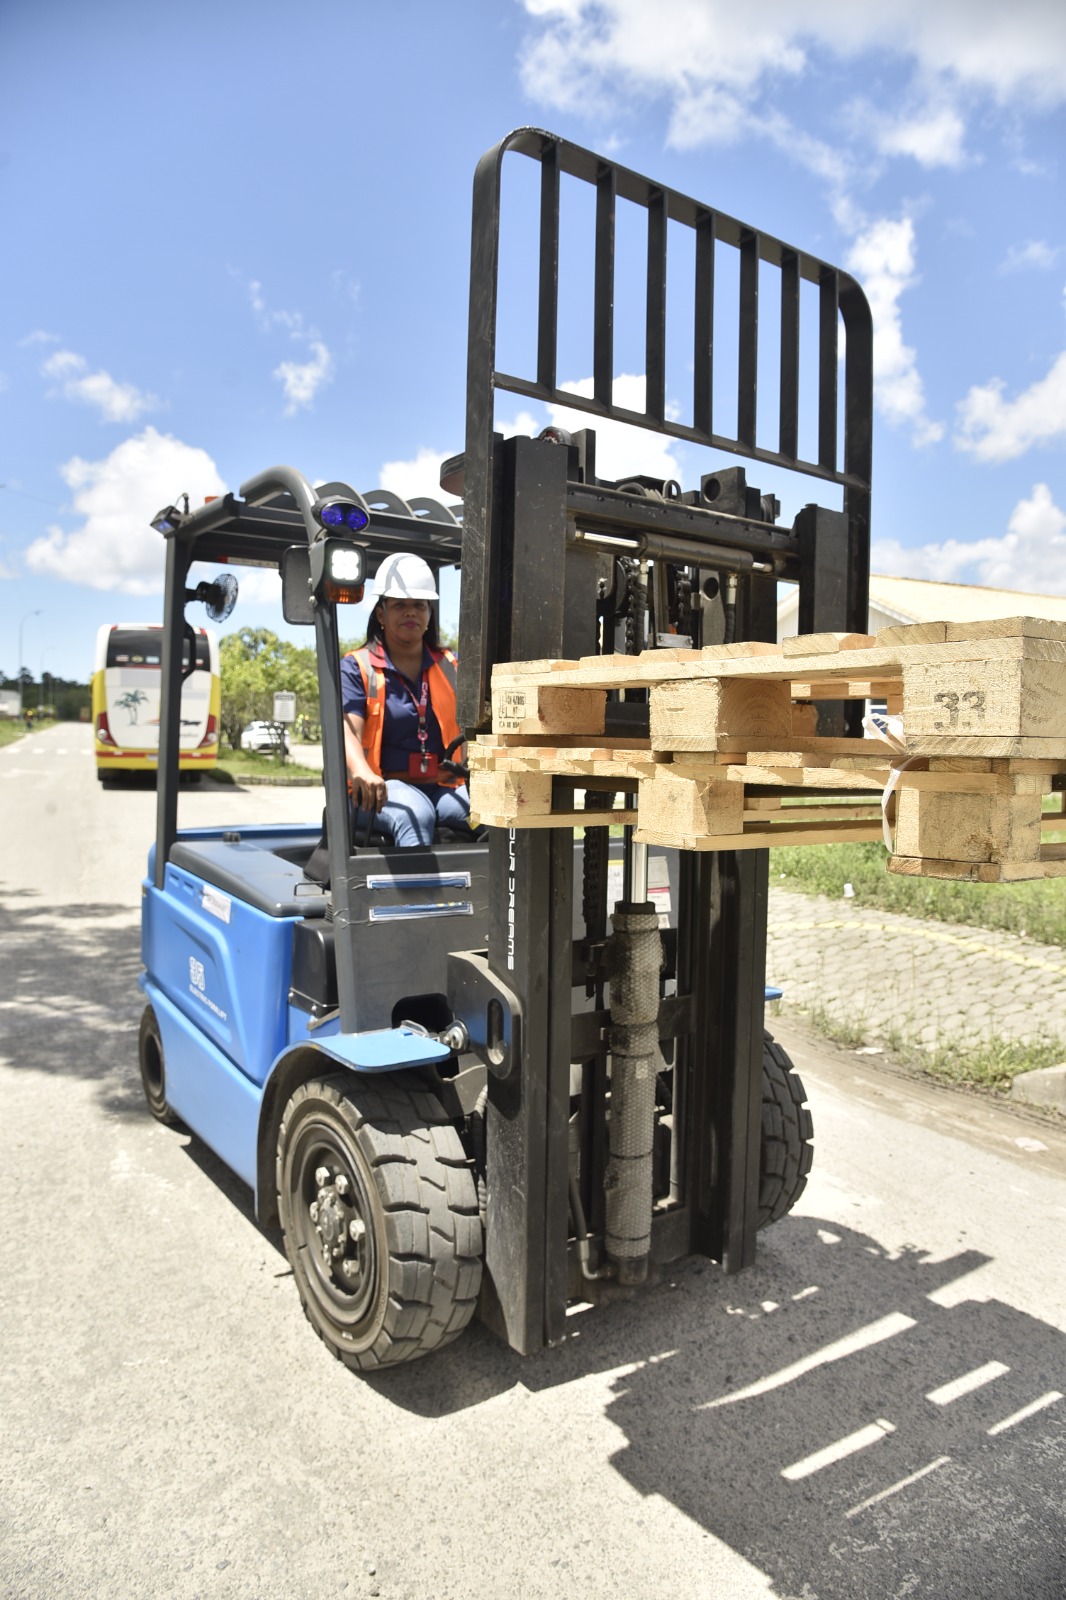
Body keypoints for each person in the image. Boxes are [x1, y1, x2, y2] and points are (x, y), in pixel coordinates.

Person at [340, 551, 473, 847]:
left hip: (443, 784)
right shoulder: (357, 666)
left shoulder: (451, 665)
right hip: (382, 787)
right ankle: (420, 895)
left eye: (419, 606)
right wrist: (361, 772)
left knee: (490, 810)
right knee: (413, 813)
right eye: (399, 605)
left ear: (429, 614)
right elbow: (348, 731)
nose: (410, 612)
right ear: (381, 614)